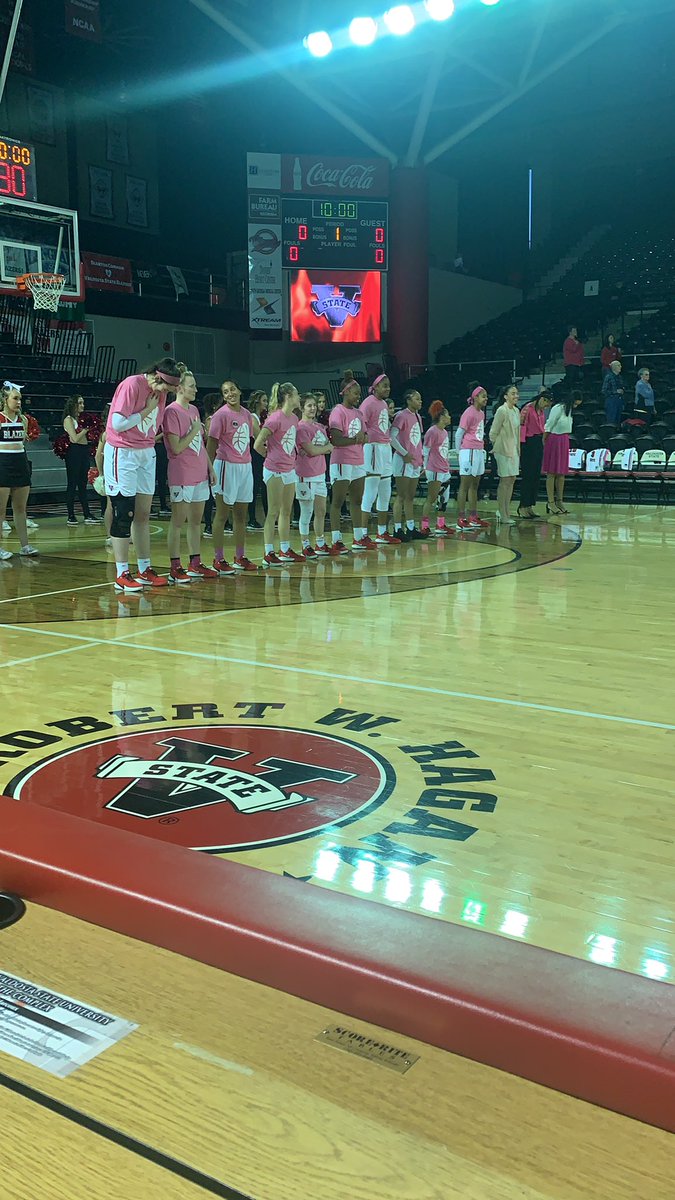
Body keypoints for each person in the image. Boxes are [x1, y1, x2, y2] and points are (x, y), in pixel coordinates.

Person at [103, 356, 181, 593]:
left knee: (143, 513)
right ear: (158, 377)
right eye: (167, 388)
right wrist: (147, 410)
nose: (167, 393)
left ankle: (144, 569)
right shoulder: (132, 384)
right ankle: (121, 573)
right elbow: (118, 423)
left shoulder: (161, 392)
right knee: (123, 511)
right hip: (123, 451)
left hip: (146, 451)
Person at [162, 367, 218, 584]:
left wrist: (210, 467)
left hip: (199, 473)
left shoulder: (193, 410)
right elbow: (176, 447)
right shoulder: (171, 412)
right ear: (180, 388)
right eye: (192, 386)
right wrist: (194, 430)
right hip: (182, 474)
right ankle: (175, 566)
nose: (195, 389)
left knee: (197, 522)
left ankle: (195, 562)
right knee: (178, 522)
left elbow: (200, 445)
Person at [207, 379, 260, 574]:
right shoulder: (220, 415)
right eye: (226, 392)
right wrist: (209, 469)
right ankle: (219, 558)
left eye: (232, 389)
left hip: (245, 466)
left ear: (239, 390)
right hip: (225, 466)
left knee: (241, 515)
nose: (230, 394)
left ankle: (240, 556)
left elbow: (252, 440)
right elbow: (211, 444)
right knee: (222, 514)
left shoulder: (246, 414)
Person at [253, 381, 303, 567]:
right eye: (296, 394)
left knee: (286, 511)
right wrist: (270, 456)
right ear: (288, 397)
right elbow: (258, 443)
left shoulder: (294, 419)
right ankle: (268, 552)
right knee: (273, 511)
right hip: (274, 470)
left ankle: (285, 549)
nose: (299, 397)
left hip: (289, 469)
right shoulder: (275, 418)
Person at [328, 379, 368, 553]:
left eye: (359, 393)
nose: (358, 397)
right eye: (355, 393)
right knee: (338, 501)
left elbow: (365, 436)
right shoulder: (338, 411)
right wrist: (355, 439)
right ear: (345, 392)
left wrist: (362, 438)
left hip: (358, 460)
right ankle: (336, 540)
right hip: (341, 461)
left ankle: (358, 537)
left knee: (357, 500)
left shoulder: (359, 413)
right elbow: (336, 440)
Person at [359, 373, 399, 545]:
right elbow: (361, 426)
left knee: (385, 490)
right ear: (375, 387)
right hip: (373, 448)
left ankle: (382, 532)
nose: (388, 388)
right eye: (384, 386)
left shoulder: (383, 403)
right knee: (370, 492)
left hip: (385, 447)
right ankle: (361, 534)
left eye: (389, 385)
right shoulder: (368, 403)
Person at [0, 383, 39, 559]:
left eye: (20, 399)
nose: (18, 402)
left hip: (20, 463)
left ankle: (25, 546)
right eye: (15, 398)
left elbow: (22, 442)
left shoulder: (23, 420)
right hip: (3, 464)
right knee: (1, 510)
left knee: (21, 508)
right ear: (4, 399)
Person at [295, 393, 332, 559]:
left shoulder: (319, 427)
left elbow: (326, 447)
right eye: (309, 405)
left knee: (321, 510)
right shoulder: (300, 428)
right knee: (306, 511)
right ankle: (305, 545)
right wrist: (322, 449)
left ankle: (320, 542)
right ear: (302, 408)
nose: (313, 408)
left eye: (314, 405)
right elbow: (312, 450)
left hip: (320, 474)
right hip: (305, 474)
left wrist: (319, 450)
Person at [391, 388, 425, 541]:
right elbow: (391, 437)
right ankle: (397, 528)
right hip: (403, 460)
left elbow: (417, 440)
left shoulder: (417, 416)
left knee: (410, 496)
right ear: (408, 400)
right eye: (417, 399)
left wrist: (421, 458)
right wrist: (404, 453)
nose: (420, 401)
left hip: (414, 461)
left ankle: (411, 527)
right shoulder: (401, 415)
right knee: (401, 496)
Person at [455, 386, 489, 530]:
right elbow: (458, 434)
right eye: (483, 396)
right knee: (464, 485)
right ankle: (461, 517)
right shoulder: (468, 413)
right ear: (475, 398)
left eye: (486, 396)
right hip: (468, 451)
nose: (486, 399)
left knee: (475, 485)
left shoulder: (481, 413)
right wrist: (459, 452)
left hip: (478, 450)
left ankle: (473, 516)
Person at [543, 391, 583, 514]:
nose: (576, 406)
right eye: (575, 404)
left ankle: (559, 500)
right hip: (554, 439)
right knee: (551, 473)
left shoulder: (569, 411)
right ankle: (550, 502)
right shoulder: (558, 408)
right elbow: (549, 424)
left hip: (564, 439)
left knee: (561, 473)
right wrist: (544, 439)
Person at [62, 394, 97, 527]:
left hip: (83, 451)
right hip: (73, 452)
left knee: (83, 484)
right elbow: (75, 438)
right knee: (72, 483)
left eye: (83, 403)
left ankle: (87, 514)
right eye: (80, 403)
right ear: (73, 404)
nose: (83, 405)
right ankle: (71, 515)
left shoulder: (81, 419)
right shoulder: (68, 419)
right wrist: (86, 429)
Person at [489, 384, 521, 525]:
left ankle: (507, 511)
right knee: (505, 480)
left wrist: (518, 448)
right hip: (502, 449)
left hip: (513, 449)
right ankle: (502, 513)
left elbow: (518, 432)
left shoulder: (516, 410)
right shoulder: (502, 410)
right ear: (505, 396)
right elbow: (493, 432)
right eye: (513, 393)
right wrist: (497, 445)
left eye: (517, 393)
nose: (516, 396)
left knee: (512, 478)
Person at [518, 388, 551, 518]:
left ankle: (530, 505)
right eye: (546, 403)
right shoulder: (527, 409)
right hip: (527, 443)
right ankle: (522, 506)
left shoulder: (541, 411)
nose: (546, 407)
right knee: (528, 475)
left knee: (536, 476)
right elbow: (521, 426)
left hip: (537, 442)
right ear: (542, 399)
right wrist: (520, 445)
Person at [422, 401, 452, 536]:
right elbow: (426, 450)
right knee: (431, 498)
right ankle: (424, 526)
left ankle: (440, 524)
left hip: (444, 469)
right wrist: (425, 467)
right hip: (434, 469)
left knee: (444, 498)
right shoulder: (432, 431)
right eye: (448, 415)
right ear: (442, 417)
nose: (450, 417)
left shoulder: (444, 432)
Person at [200, 392, 222, 538]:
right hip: (210, 459)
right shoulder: (211, 420)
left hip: (219, 459)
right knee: (210, 493)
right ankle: (208, 524)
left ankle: (222, 522)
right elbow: (210, 441)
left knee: (219, 493)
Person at [246, 389, 267, 531]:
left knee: (264, 487)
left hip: (262, 455)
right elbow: (260, 438)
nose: (266, 403)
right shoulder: (252, 417)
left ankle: (268, 516)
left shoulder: (262, 417)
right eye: (264, 400)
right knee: (254, 488)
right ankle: (251, 519)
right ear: (257, 402)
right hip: (255, 456)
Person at [94, 404, 113, 547]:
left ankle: (116, 535)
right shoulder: (106, 434)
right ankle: (110, 535)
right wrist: (101, 473)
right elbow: (97, 456)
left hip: (120, 472)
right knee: (111, 504)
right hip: (112, 473)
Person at [602, 360, 626, 425]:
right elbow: (604, 391)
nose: (621, 367)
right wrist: (615, 391)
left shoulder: (620, 377)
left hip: (619, 400)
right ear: (614, 367)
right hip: (611, 400)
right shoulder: (608, 377)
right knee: (611, 420)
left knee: (618, 420)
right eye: (619, 365)